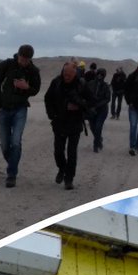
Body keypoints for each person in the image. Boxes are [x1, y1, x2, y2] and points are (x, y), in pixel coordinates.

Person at [0, 44, 41, 189]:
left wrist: (26, 88)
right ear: (18, 55)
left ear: (30, 59)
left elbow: (36, 89)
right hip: (4, 109)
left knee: (16, 142)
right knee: (5, 144)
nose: (24, 61)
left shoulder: (33, 71)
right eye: (22, 58)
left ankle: (11, 174)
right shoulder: (6, 65)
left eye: (27, 60)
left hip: (20, 109)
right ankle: (12, 162)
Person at [44, 60, 90, 191]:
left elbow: (91, 101)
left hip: (75, 123)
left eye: (69, 74)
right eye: (65, 73)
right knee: (58, 152)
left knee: (72, 153)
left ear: (75, 73)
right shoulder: (56, 82)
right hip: (59, 122)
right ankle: (62, 169)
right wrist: (51, 115)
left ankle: (69, 179)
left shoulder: (81, 84)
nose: (66, 76)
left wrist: (79, 105)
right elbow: (48, 98)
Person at [85, 66, 111, 153]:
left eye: (102, 74)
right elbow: (85, 95)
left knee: (98, 127)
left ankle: (96, 145)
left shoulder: (106, 86)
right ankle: (99, 139)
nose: (100, 76)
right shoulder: (90, 83)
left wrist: (97, 105)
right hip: (91, 110)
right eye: (99, 74)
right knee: (93, 127)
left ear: (104, 76)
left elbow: (107, 99)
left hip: (102, 110)